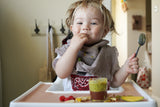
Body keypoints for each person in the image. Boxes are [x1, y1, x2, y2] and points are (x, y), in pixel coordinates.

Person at [52, 0, 139, 91]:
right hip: (73, 101)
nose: (85, 27)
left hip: (100, 102)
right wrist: (73, 48)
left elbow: (114, 82)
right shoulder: (67, 49)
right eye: (80, 23)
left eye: (93, 23)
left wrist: (125, 69)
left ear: (104, 31)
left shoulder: (108, 53)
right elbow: (61, 73)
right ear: (72, 28)